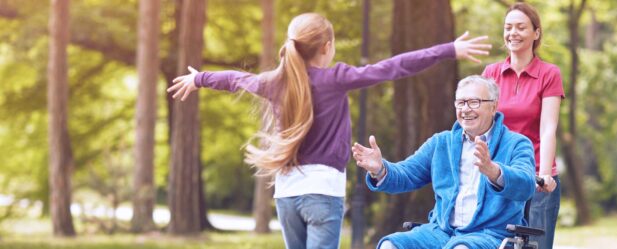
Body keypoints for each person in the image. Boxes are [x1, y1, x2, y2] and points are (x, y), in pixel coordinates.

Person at [167, 13, 491, 249]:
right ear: (326, 46)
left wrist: (199, 79)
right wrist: (447, 50)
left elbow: (235, 79)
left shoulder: (273, 82)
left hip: (287, 195)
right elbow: (393, 67)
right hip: (322, 193)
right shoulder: (335, 79)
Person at [352, 75, 536, 249]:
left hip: (489, 234)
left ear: (493, 107)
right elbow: (407, 174)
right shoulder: (441, 142)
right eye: (461, 103)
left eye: (474, 102)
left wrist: (494, 171)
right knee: (390, 245)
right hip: (440, 232)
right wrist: (380, 170)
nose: (465, 109)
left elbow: (527, 185)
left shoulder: (516, 144)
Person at [480, 3, 565, 249]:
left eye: (521, 27)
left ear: (536, 33)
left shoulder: (549, 74)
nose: (513, 33)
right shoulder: (491, 73)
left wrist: (545, 173)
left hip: (537, 175)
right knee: (497, 243)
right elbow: (483, 126)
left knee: (535, 245)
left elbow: (548, 128)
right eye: (508, 27)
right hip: (501, 174)